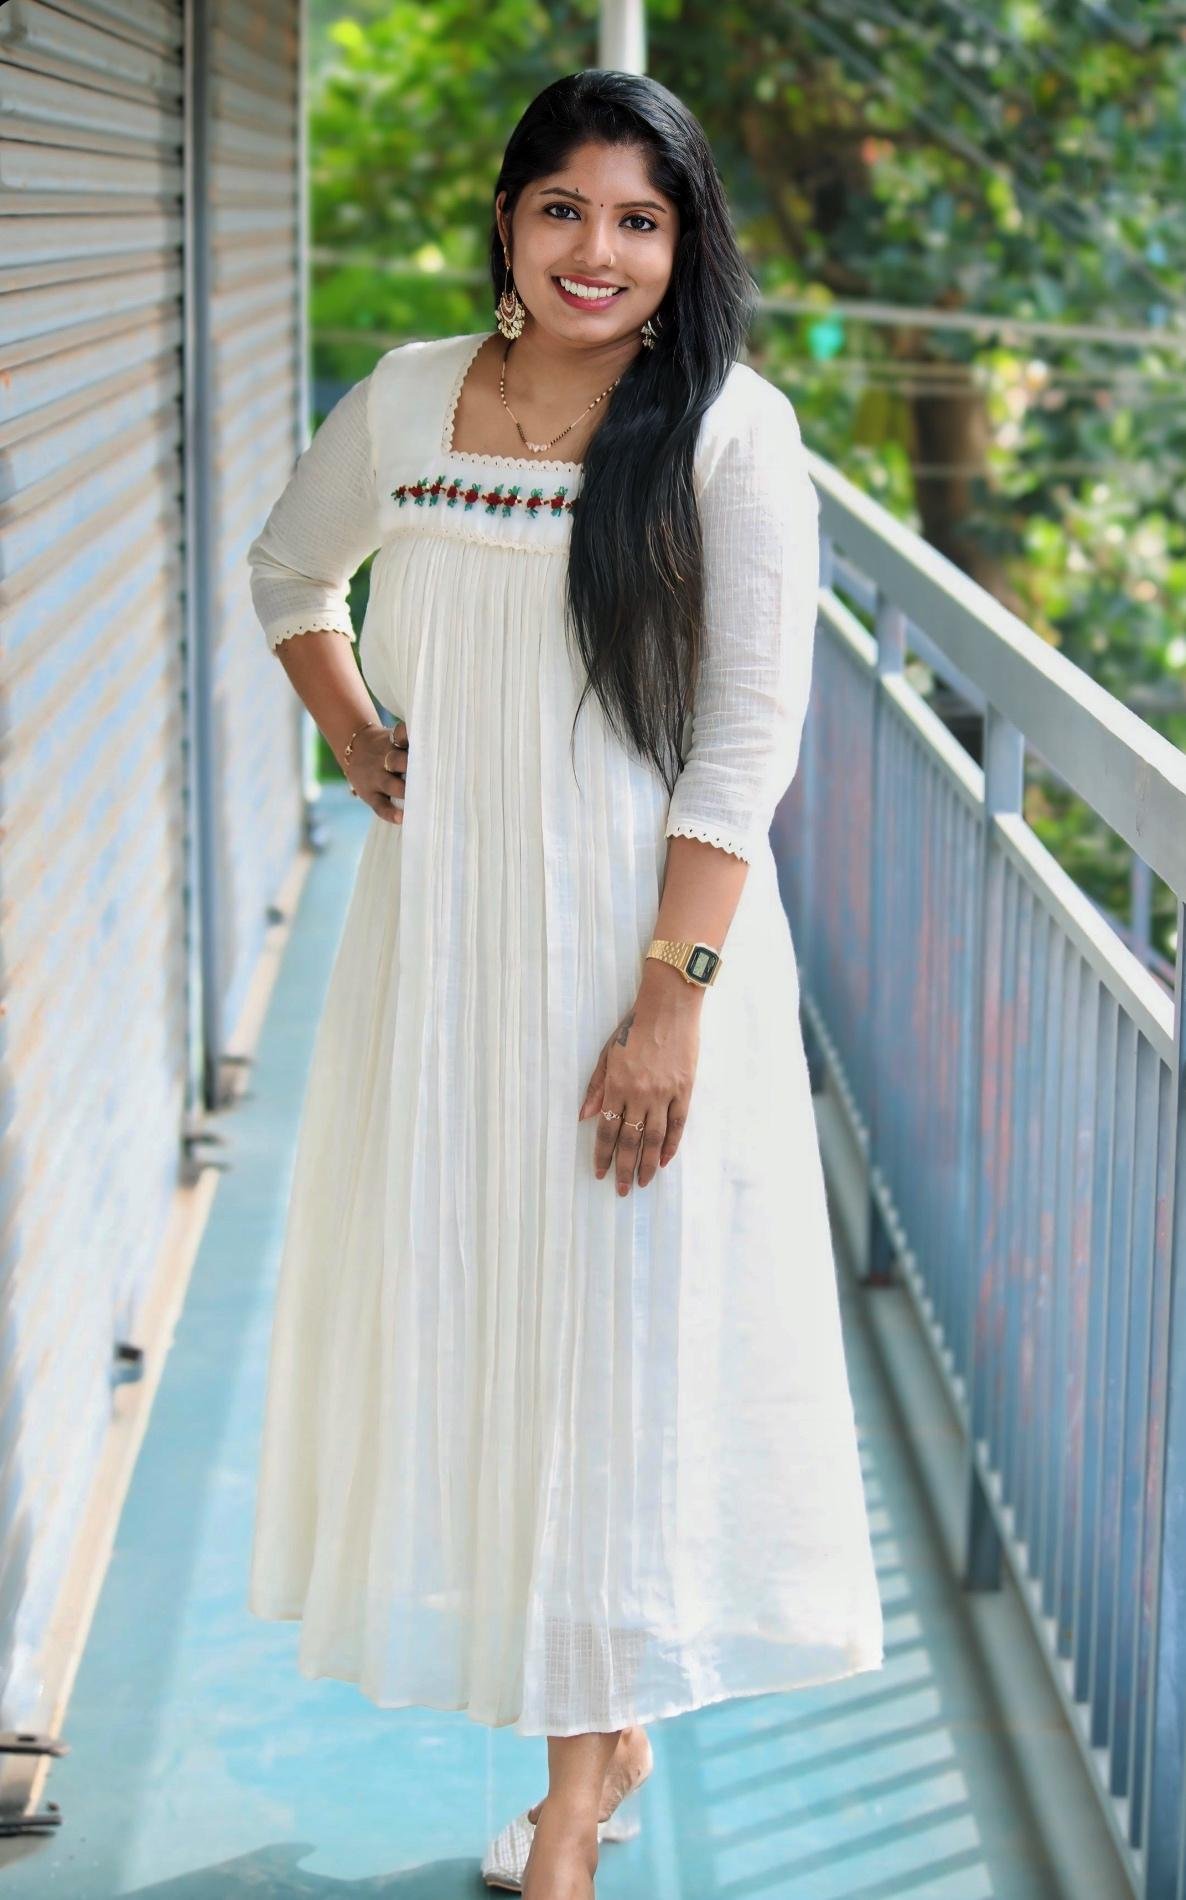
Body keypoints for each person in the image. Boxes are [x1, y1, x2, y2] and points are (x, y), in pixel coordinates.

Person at [244, 67, 883, 1900]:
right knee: (504, 1346)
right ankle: (588, 1761)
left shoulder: (728, 431)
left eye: (639, 220)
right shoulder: (411, 399)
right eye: (564, 210)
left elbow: (744, 740)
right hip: (444, 958)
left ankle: (572, 1828)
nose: (596, 251)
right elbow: (292, 573)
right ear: (508, 223)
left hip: (635, 957)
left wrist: (670, 1001)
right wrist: (360, 738)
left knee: (610, 1353)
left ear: (682, 245)